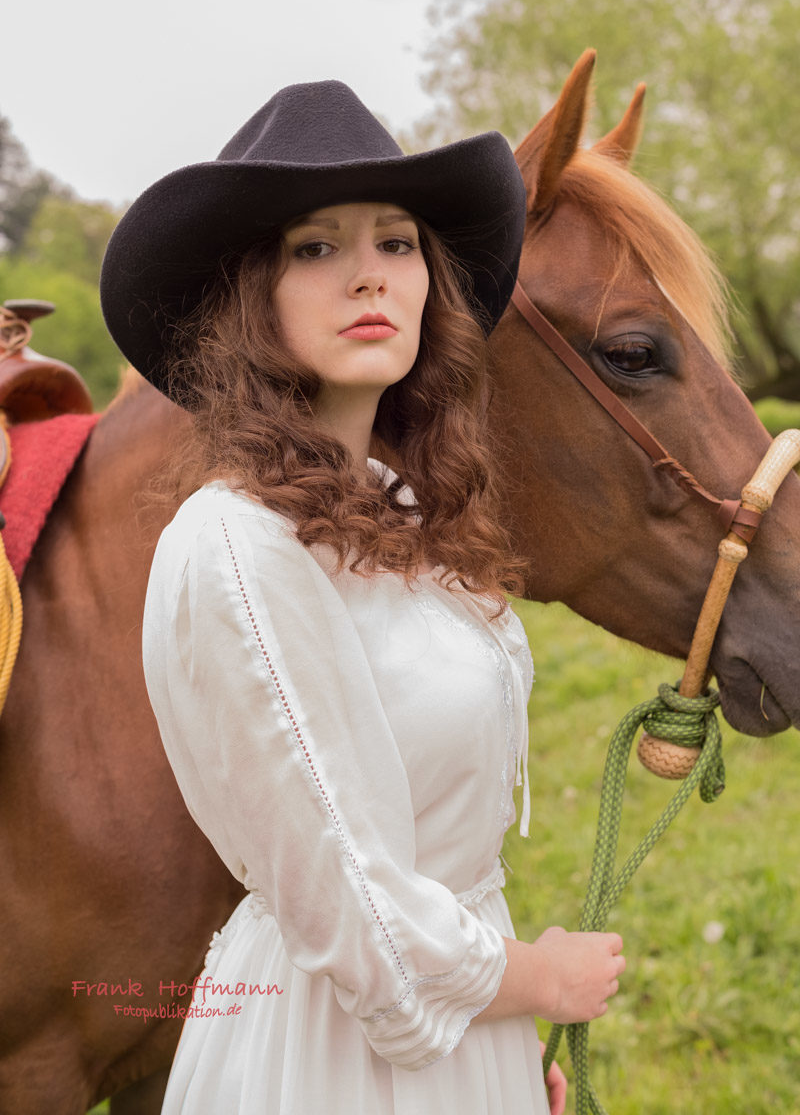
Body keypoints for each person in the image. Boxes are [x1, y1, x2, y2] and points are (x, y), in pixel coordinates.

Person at [100, 80, 625, 1114]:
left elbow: (431, 849)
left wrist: (502, 1040)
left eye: (396, 244)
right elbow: (353, 899)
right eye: (315, 248)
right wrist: (538, 979)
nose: (369, 277)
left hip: (455, 1036)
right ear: (251, 295)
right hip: (325, 1061)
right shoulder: (236, 546)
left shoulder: (400, 511)